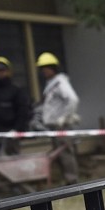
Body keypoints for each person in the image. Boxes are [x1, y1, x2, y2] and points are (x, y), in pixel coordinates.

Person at [35, 52, 81, 184]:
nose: (43, 71)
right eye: (42, 68)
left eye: (46, 68)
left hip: (61, 125)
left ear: (53, 68)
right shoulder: (51, 84)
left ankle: (72, 181)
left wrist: (64, 117)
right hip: (53, 125)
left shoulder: (60, 82)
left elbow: (73, 99)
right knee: (59, 153)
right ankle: (66, 179)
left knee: (65, 152)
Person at [0, 56, 31, 156]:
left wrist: (18, 129)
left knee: (12, 157)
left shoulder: (16, 90)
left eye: (3, 70)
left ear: (8, 71)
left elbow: (22, 110)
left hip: (10, 130)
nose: (0, 73)